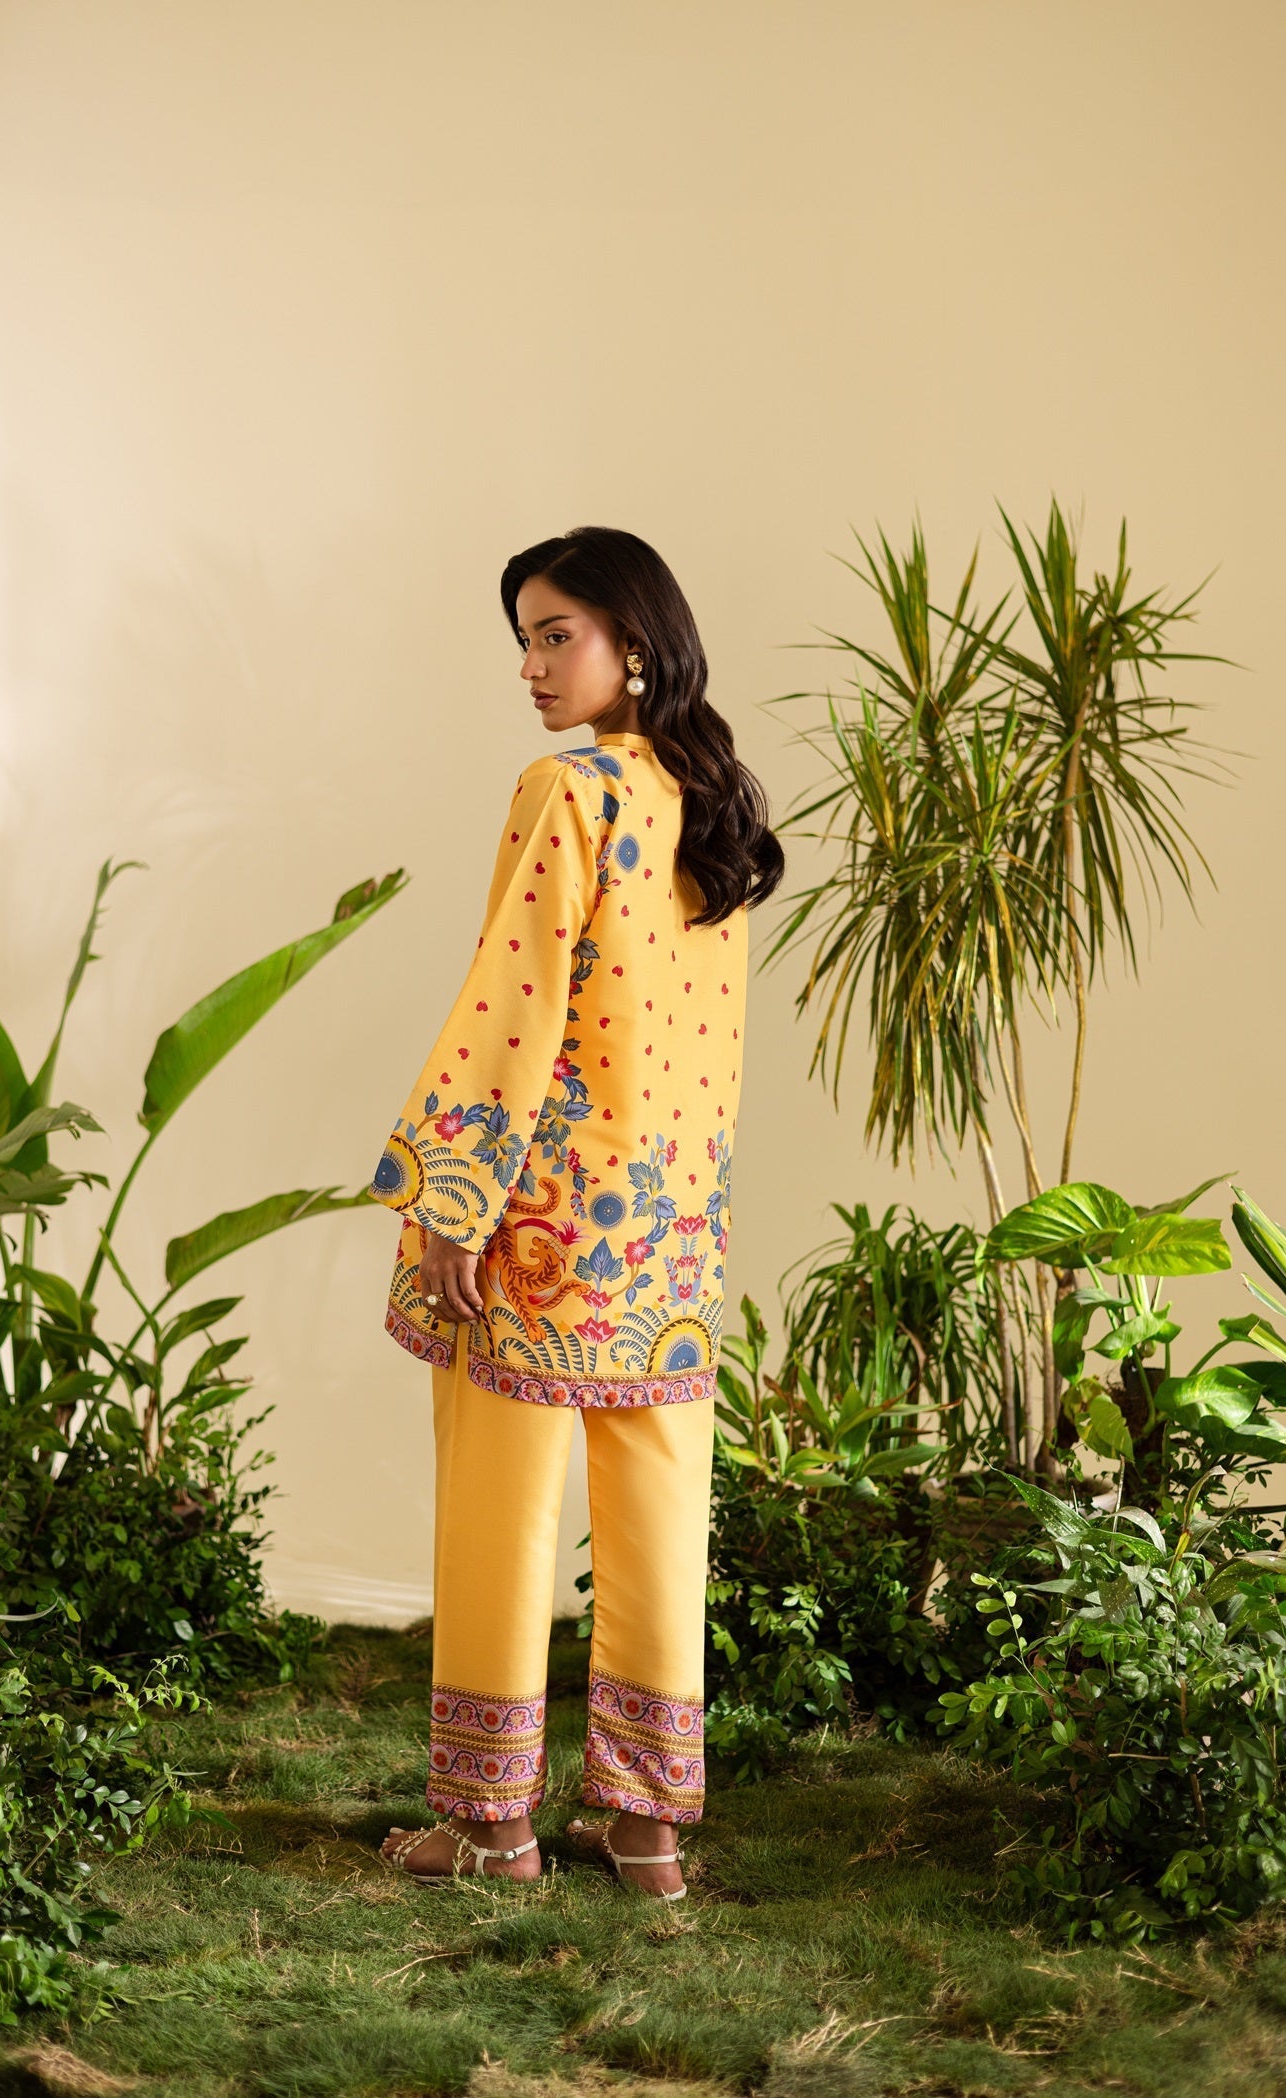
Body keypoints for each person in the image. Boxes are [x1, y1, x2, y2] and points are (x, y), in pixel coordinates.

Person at [372, 526, 783, 1899]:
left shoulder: (569, 790)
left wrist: (454, 1194)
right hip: (671, 1224)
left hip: (542, 1219)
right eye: (526, 641)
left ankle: (492, 1827)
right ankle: (647, 1830)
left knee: (501, 1506)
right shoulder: (710, 802)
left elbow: (516, 1004)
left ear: (637, 643)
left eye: (559, 635)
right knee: (661, 1510)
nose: (533, 667)